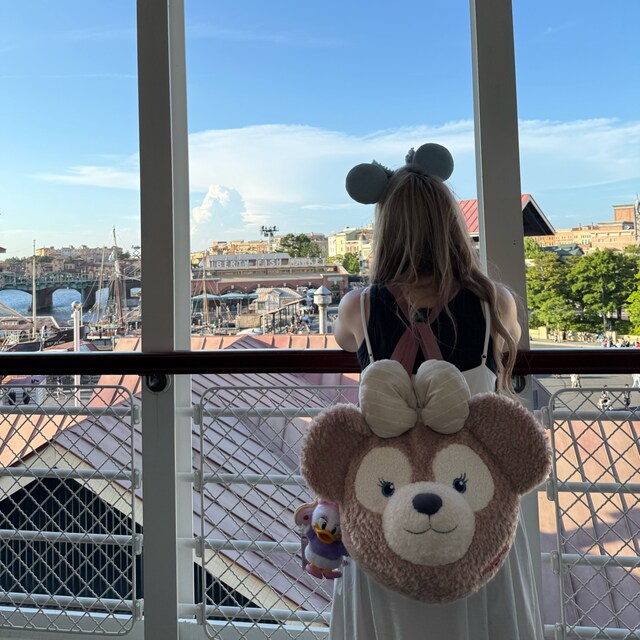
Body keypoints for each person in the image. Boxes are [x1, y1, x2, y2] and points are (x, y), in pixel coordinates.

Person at [332, 143, 544, 640]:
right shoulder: (494, 304)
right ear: (451, 225)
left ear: (386, 230)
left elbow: (344, 342)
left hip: (388, 506)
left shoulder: (360, 308)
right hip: (473, 502)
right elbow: (506, 343)